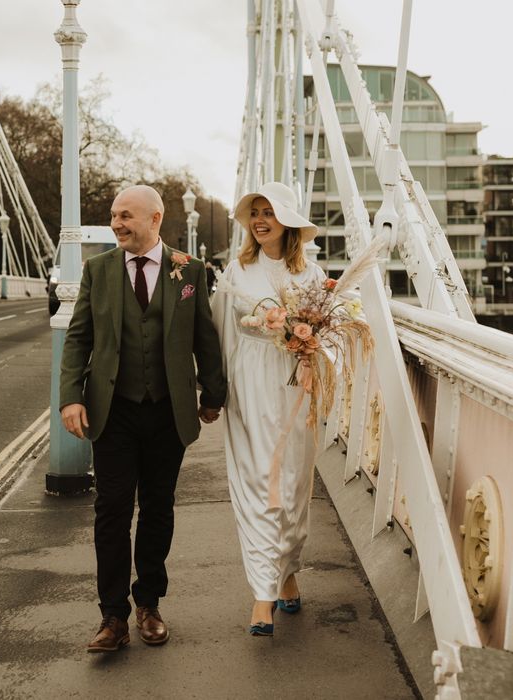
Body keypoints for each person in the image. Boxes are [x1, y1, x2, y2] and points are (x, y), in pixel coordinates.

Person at [60, 185, 226, 653]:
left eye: (126, 216)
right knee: (111, 510)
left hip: (167, 413)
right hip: (113, 413)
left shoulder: (189, 270)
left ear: (155, 218)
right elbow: (78, 338)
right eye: (114, 215)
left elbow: (204, 336)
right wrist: (71, 397)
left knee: (158, 508)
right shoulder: (98, 270)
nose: (117, 223)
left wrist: (213, 394)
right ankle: (112, 616)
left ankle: (148, 603)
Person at [211, 182, 323, 637]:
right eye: (254, 212)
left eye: (268, 212)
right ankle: (263, 593)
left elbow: (328, 333)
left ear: (287, 222)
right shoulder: (236, 271)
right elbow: (222, 332)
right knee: (259, 481)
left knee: (293, 484)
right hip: (250, 384)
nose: (259, 220)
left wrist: (308, 343)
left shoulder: (312, 276)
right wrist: (214, 392)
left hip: (295, 384)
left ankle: (288, 571)